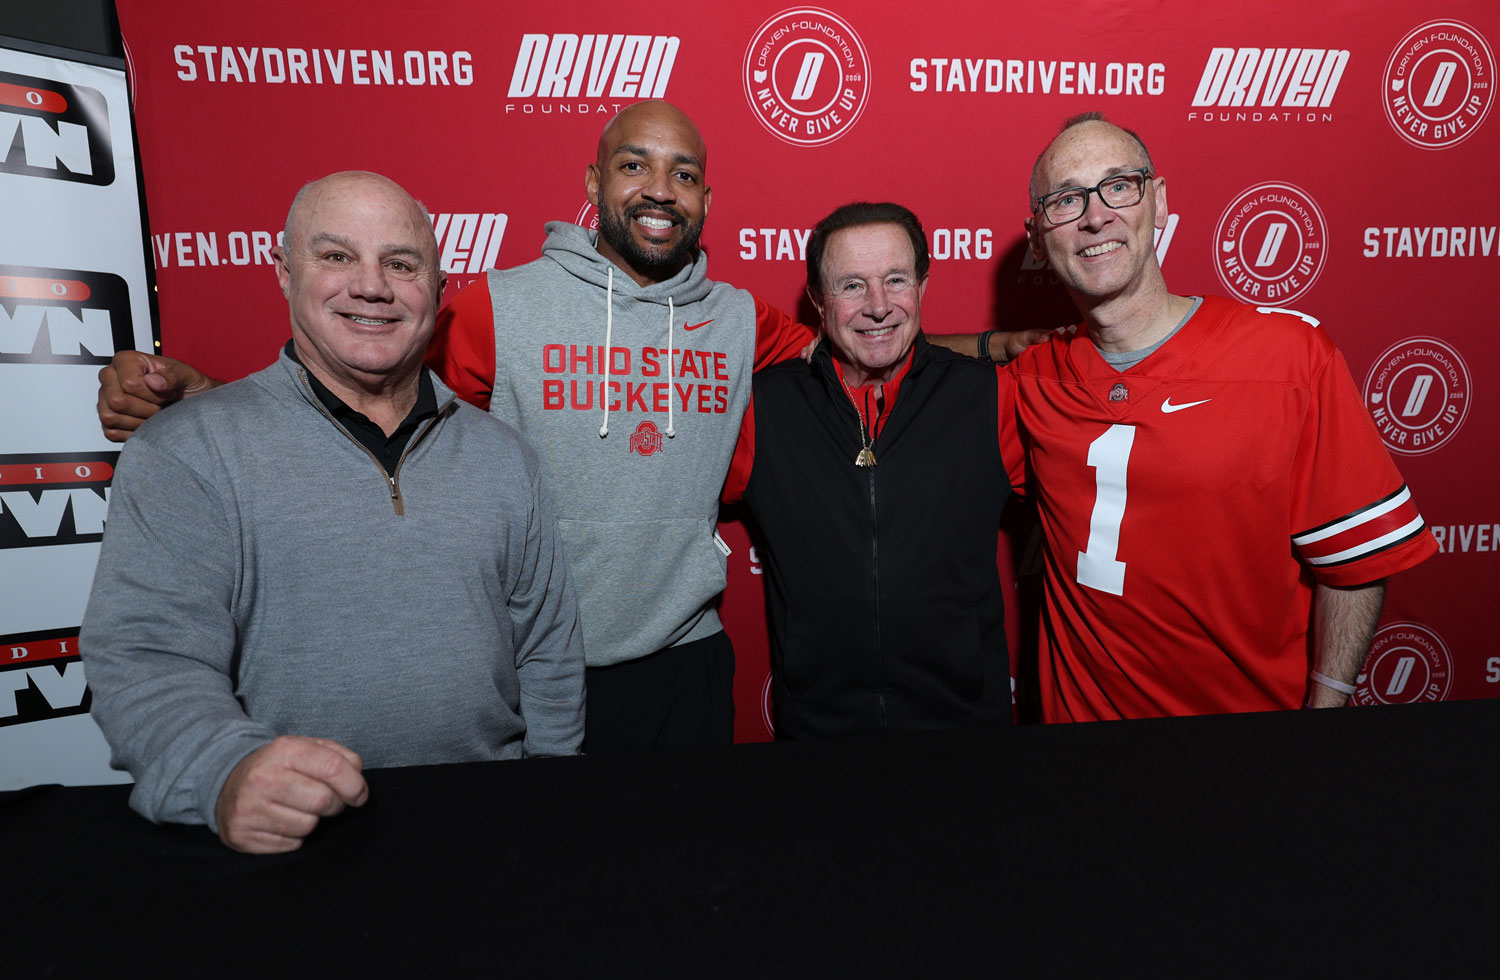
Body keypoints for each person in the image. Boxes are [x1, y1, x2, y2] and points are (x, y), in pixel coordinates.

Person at [96, 101, 1038, 750]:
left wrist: (1026, 340)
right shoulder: (500, 307)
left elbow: (868, 338)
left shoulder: (741, 318)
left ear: (709, 198)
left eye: (683, 173)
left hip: (685, 661)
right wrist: (207, 396)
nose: (659, 188)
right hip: (537, 667)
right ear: (594, 180)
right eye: (634, 165)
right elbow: (362, 390)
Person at [81, 171, 585, 853]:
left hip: (489, 828)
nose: (371, 285)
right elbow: (147, 656)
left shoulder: (505, 456)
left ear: (438, 290)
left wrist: (550, 796)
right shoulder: (187, 449)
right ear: (285, 273)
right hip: (295, 839)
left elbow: (546, 652)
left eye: (401, 264)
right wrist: (223, 773)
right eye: (337, 256)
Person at [1012, 113, 1437, 721]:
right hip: (1082, 764)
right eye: (1065, 199)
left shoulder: (1289, 359)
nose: (1095, 214)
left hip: (1249, 751)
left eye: (1118, 186)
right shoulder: (1029, 378)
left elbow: (1356, 564)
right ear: (1036, 236)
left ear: (1158, 203)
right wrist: (991, 343)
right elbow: (883, 359)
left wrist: (1324, 715)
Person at [723, 203, 1023, 737]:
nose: (879, 306)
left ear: (923, 286)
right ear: (818, 299)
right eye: (852, 286)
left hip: (967, 728)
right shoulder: (762, 409)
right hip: (821, 730)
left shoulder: (988, 396)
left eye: (896, 280)